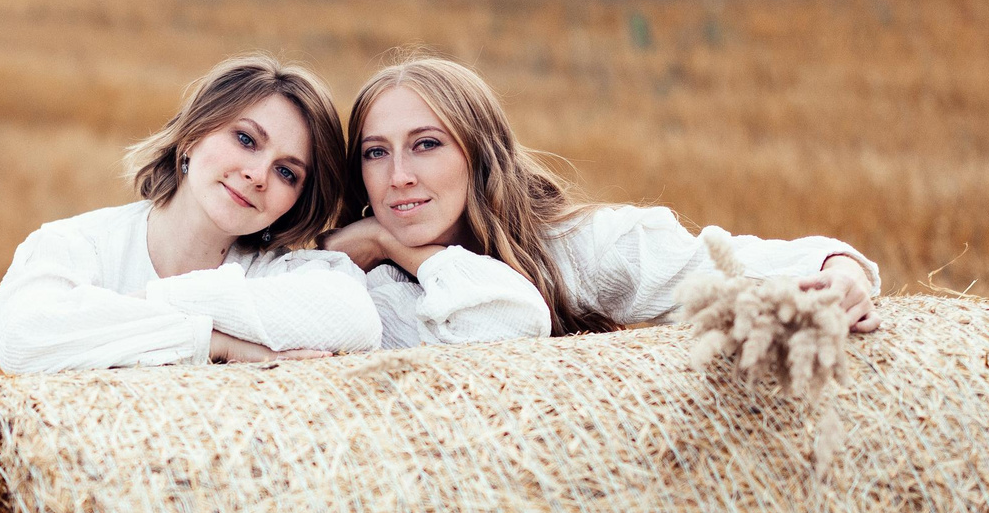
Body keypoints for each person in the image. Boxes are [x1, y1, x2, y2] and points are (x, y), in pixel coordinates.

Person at [323, 53, 879, 346]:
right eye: (375, 153)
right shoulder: (346, 281)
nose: (398, 175)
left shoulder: (573, 249)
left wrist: (837, 267)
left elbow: (711, 271)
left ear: (481, 155)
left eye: (426, 145)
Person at [0, 56, 382, 372]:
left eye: (286, 172)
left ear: (297, 201)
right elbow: (21, 337)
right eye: (245, 139)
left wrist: (151, 301)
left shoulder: (278, 273)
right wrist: (212, 343)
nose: (257, 175)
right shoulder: (78, 244)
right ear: (192, 135)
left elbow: (356, 320)